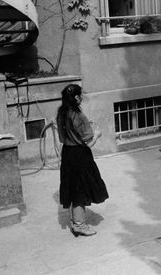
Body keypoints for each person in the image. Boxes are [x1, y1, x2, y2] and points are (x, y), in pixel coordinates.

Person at [57, 84, 108, 237]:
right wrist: (97, 134)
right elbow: (88, 142)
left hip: (67, 153)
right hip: (80, 155)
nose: (82, 98)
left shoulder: (61, 113)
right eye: (81, 96)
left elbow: (62, 137)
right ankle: (80, 225)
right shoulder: (77, 115)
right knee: (80, 189)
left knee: (72, 187)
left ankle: (74, 221)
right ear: (77, 97)